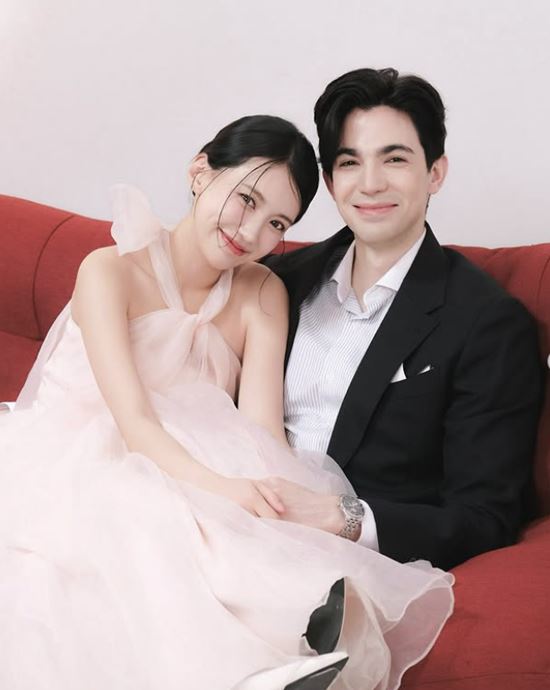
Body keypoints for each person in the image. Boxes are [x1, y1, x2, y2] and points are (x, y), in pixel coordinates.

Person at [0, 115, 453, 690]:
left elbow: (261, 432)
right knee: (138, 511)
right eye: (247, 199)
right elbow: (133, 423)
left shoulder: (261, 291)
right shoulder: (108, 271)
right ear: (200, 171)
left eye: (277, 223)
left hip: (200, 454)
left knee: (245, 516)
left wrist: (271, 501)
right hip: (84, 451)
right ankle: (243, 675)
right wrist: (222, 489)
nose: (252, 232)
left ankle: (289, 649)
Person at [264, 68, 542, 571]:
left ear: (435, 172)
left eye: (394, 159)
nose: (371, 184)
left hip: (349, 563)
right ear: (329, 181)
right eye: (350, 162)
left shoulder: (488, 324)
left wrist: (343, 518)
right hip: (239, 518)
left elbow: (485, 516)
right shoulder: (277, 280)